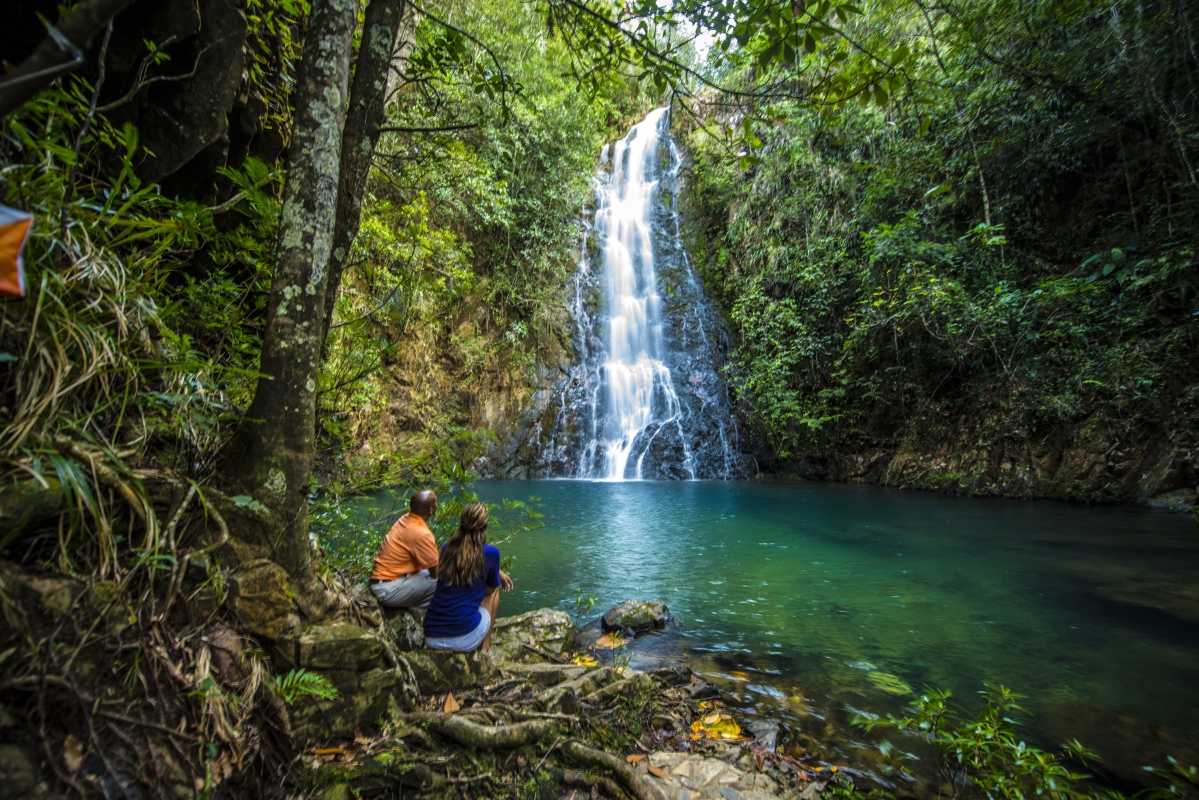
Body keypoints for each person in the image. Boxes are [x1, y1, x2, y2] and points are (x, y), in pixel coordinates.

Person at [423, 502, 513, 653]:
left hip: (431, 636)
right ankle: (485, 648)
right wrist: (495, 572)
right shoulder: (492, 553)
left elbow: (467, 559)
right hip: (462, 639)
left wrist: (497, 571)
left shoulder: (447, 547)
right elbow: (489, 591)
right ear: (485, 524)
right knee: (494, 591)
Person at [369, 490, 440, 612]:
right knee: (443, 581)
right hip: (387, 589)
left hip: (380, 582)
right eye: (436, 503)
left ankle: (411, 607)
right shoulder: (422, 534)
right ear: (431, 510)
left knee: (427, 573)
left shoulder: (406, 519)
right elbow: (436, 573)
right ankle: (417, 610)